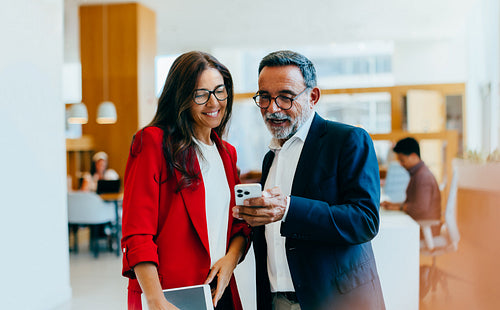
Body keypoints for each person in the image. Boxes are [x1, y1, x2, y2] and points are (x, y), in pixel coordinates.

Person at [233, 50, 385, 310]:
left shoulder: (348, 140)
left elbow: (365, 220)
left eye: (285, 97)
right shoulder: (271, 157)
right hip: (277, 300)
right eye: (265, 98)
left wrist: (289, 209)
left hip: (335, 300)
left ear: (312, 97)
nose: (273, 108)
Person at [121, 51, 251, 310]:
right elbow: (138, 233)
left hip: (220, 289)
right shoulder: (153, 143)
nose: (213, 103)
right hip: (171, 296)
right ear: (181, 98)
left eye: (220, 91)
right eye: (200, 94)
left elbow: (239, 225)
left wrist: (230, 261)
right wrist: (157, 300)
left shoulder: (227, 153)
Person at [381, 137, 441, 235]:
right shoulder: (418, 173)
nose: (401, 164)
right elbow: (414, 203)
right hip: (420, 226)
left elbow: (420, 208)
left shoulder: (423, 176)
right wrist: (394, 205)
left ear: (413, 156)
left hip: (425, 229)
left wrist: (398, 207)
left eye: (402, 160)